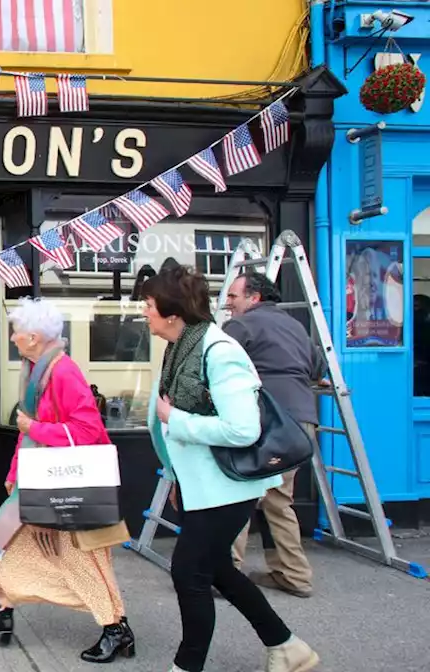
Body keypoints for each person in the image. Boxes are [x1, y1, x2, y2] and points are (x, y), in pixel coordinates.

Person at [142, 265, 319, 672]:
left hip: (229, 486)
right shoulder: (180, 347)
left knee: (189, 572)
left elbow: (242, 429)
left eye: (149, 306)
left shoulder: (218, 350)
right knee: (219, 568)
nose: (144, 313)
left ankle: (186, 667)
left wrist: (176, 419)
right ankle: (287, 646)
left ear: (171, 313)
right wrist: (173, 475)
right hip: (200, 484)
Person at [0, 297, 135, 664]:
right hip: (42, 480)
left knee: (83, 561)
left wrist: (33, 428)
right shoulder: (39, 368)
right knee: (0, 542)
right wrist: (13, 474)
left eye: (17, 331)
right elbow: (30, 432)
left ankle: (116, 629)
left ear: (34, 337)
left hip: (69, 486)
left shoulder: (62, 371)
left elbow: (88, 430)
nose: (12, 337)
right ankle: (2, 611)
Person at [222, 272, 325, 598]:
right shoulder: (295, 326)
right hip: (301, 424)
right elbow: (319, 368)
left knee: (239, 496)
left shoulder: (242, 325)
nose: (228, 303)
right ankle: (294, 575)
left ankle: (225, 576)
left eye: (234, 297)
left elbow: (214, 363)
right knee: (280, 502)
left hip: (265, 423)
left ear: (254, 298)